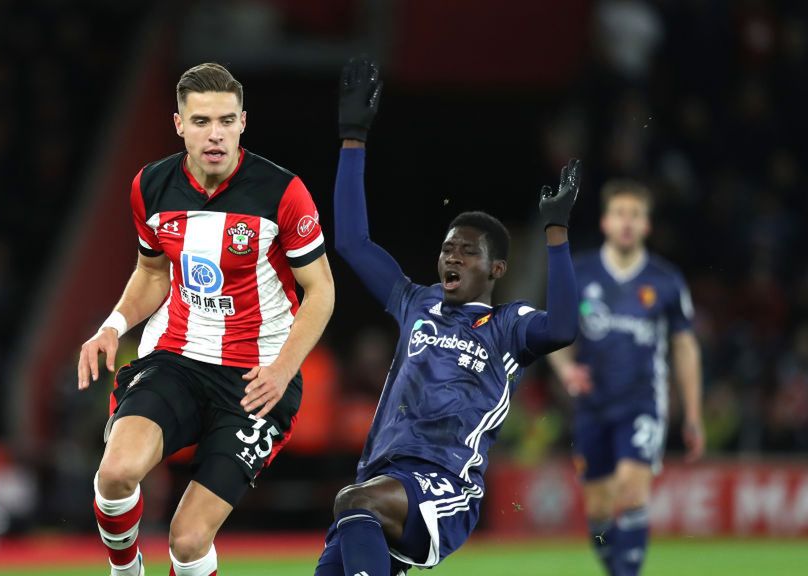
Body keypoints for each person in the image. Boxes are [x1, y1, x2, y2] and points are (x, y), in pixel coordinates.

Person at [314, 58, 580, 576]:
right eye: (447, 249)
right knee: (349, 524)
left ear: (496, 268)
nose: (452, 257)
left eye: (467, 251)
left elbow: (564, 327)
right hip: (381, 477)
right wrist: (352, 138)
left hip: (445, 482)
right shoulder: (414, 301)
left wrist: (557, 237)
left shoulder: (508, 326)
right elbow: (351, 241)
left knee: (356, 501)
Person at [77, 62, 335, 576]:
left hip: (255, 377)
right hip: (175, 357)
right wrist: (111, 325)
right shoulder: (150, 186)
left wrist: (283, 370)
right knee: (115, 475)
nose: (214, 134)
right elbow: (152, 275)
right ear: (179, 124)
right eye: (200, 122)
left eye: (225, 120)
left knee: (189, 540)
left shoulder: (282, 193)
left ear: (243, 122)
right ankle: (125, 572)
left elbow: (321, 291)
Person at [548, 179, 703, 576]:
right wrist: (567, 370)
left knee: (632, 493)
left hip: (642, 402)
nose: (627, 222)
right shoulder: (579, 272)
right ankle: (615, 566)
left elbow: (685, 348)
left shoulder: (666, 281)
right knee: (599, 512)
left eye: (636, 215)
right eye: (620, 214)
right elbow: (557, 332)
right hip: (592, 407)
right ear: (605, 221)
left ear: (647, 225)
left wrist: (693, 414)